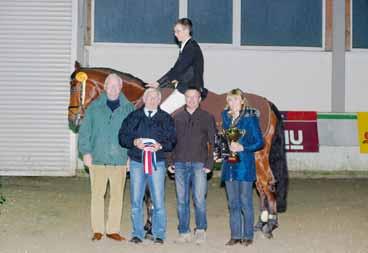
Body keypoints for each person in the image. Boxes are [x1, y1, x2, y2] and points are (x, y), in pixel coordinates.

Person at [78, 73, 135, 242]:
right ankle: (97, 229)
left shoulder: (129, 109)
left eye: (116, 85)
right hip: (98, 158)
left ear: (121, 87)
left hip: (120, 160)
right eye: (110, 85)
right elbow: (84, 133)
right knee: (97, 195)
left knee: (117, 196)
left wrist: (130, 156)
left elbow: (133, 134)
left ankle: (112, 230)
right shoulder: (94, 107)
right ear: (104, 87)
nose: (113, 88)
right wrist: (86, 153)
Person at [119, 88, 176, 244]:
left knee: (158, 201)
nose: (152, 100)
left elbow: (172, 140)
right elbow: (122, 136)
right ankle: (137, 233)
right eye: (149, 97)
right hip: (137, 162)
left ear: (159, 100)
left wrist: (161, 145)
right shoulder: (133, 116)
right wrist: (133, 142)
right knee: (136, 201)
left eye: (155, 97)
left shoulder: (166, 118)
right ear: (144, 99)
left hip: (157, 162)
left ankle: (159, 234)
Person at [168, 87, 216, 244]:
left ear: (199, 99)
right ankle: (184, 231)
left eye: (194, 97)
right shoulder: (177, 117)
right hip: (180, 164)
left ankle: (200, 229)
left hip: (199, 164)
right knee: (182, 200)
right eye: (188, 97)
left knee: (199, 199)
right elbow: (171, 142)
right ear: (185, 99)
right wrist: (170, 161)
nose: (191, 100)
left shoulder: (207, 117)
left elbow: (212, 142)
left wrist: (210, 163)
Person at [221, 89, 264, 246]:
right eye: (230, 100)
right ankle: (235, 235)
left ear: (242, 101)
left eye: (236, 100)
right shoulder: (225, 118)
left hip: (245, 166)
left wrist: (243, 147)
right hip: (229, 166)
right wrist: (221, 151)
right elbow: (225, 140)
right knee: (232, 203)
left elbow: (260, 142)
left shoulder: (250, 119)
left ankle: (248, 236)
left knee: (245, 201)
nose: (233, 103)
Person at [147, 18, 205, 114]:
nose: (175, 34)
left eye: (178, 31)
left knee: (162, 112)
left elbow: (177, 70)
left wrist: (159, 83)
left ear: (186, 31)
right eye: (174, 31)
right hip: (184, 85)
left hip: (188, 88)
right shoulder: (187, 46)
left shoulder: (191, 48)